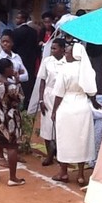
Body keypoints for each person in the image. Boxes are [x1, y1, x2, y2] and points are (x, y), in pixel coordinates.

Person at [51, 43, 101, 186]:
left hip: (67, 106)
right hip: (83, 106)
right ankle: (80, 175)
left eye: (67, 53)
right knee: (82, 140)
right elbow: (92, 92)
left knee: (64, 139)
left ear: (74, 55)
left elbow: (59, 92)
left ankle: (64, 172)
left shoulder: (66, 69)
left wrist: (54, 110)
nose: (65, 55)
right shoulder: (88, 69)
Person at [0, 58, 26, 186]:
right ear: (7, 69)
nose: (13, 70)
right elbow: (20, 98)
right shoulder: (11, 86)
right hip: (10, 118)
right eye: (11, 67)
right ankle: (12, 177)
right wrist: (17, 81)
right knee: (12, 146)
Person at [37, 38, 67, 166]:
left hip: (62, 97)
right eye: (52, 48)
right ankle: (49, 154)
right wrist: (41, 100)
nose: (52, 51)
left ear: (62, 49)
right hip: (48, 96)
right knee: (47, 126)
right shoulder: (47, 61)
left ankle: (61, 155)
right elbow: (42, 81)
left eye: (55, 48)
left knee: (61, 126)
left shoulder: (68, 63)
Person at [11, 10, 39, 109]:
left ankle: (19, 102)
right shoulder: (34, 32)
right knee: (29, 80)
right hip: (31, 60)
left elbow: (13, 47)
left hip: (19, 60)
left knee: (19, 80)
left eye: (18, 18)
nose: (16, 20)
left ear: (23, 19)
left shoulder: (16, 32)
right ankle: (27, 102)